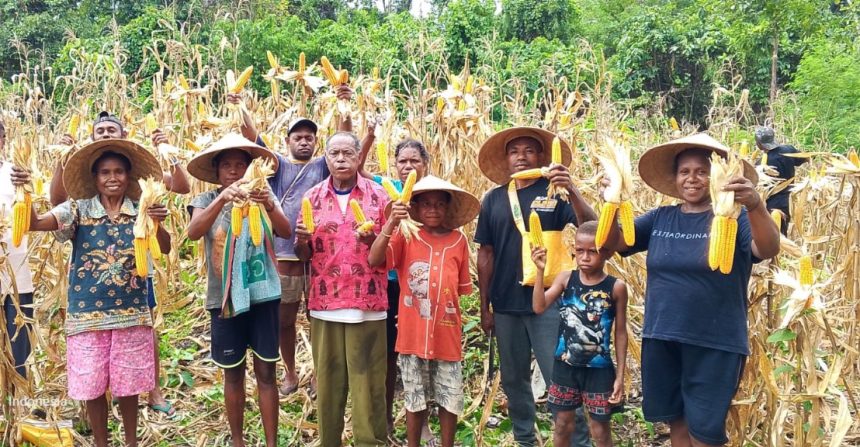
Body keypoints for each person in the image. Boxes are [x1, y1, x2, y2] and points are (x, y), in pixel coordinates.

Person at [603, 133, 780, 447]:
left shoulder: (735, 220)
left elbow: (767, 248)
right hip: (663, 336)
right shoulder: (660, 218)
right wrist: (612, 202)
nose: (692, 178)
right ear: (675, 178)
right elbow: (612, 244)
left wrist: (755, 205)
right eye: (685, 171)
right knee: (677, 424)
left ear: (716, 178)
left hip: (715, 342)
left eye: (702, 171)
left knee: (705, 434)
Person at [23, 139, 170, 447]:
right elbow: (37, 223)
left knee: (128, 386)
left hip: (131, 312)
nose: (112, 178)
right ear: (95, 178)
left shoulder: (140, 211)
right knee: (91, 385)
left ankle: (131, 442)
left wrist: (158, 222)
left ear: (129, 177)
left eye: (119, 171)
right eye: (105, 172)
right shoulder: (77, 209)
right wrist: (24, 193)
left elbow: (164, 248)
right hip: (87, 315)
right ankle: (101, 443)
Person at [52, 111, 190, 417]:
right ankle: (111, 389)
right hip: (94, 288)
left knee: (142, 326)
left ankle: (150, 389)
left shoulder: (140, 187)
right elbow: (56, 204)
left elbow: (181, 186)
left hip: (138, 268)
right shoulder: (84, 201)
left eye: (110, 129)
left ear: (123, 133)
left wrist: (169, 153)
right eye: (98, 130)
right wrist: (60, 158)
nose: (104, 133)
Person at [229, 86, 355, 396]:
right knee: (284, 319)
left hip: (319, 258)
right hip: (283, 256)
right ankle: (290, 372)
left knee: (318, 318)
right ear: (287, 142)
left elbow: (346, 140)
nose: (303, 141)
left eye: (309, 137)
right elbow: (252, 137)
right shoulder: (275, 167)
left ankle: (318, 374)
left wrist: (344, 106)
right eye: (297, 137)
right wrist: (239, 104)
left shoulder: (323, 166)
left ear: (317, 143)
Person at [474, 126, 595, 447]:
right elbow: (485, 254)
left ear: (541, 156)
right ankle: (526, 439)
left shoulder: (555, 193)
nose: (521, 157)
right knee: (514, 381)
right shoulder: (495, 199)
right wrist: (485, 306)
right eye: (514, 151)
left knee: (561, 379)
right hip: (506, 304)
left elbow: (591, 229)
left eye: (529, 150)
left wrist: (572, 190)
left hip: (550, 304)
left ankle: (577, 442)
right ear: (506, 158)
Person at [186, 133, 291, 447]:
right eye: (227, 166)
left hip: (264, 297)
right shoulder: (205, 200)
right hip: (224, 300)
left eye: (240, 165)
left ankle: (272, 442)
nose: (233, 171)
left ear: (249, 169)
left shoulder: (263, 195)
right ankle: (237, 440)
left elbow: (285, 231)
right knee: (233, 373)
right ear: (217, 172)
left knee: (266, 372)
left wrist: (270, 204)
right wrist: (222, 198)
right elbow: (193, 232)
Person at [368, 175, 479, 447]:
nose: (432, 209)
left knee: (449, 397)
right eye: (425, 204)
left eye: (439, 204)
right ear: (414, 209)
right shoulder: (406, 236)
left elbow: (462, 288)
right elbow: (374, 259)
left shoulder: (458, 241)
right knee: (414, 397)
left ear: (448, 208)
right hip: (412, 333)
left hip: (447, 333)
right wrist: (392, 223)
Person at [295, 132, 390, 447]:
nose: (340, 159)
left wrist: (373, 241)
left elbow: (394, 254)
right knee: (330, 379)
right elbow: (303, 255)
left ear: (359, 157)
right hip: (326, 300)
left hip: (369, 300)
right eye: (334, 153)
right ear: (326, 158)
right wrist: (301, 240)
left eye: (347, 153)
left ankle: (371, 440)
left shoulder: (380, 196)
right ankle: (329, 441)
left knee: (370, 380)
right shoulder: (312, 198)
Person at [531, 221, 628, 447]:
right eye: (579, 250)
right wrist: (539, 271)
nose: (585, 257)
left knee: (600, 430)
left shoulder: (616, 287)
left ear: (606, 253)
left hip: (599, 370)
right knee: (563, 425)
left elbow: (620, 333)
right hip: (565, 367)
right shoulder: (566, 279)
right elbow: (538, 307)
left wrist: (620, 376)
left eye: (592, 251)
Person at [359, 137, 432, 433]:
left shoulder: (434, 192)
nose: (408, 166)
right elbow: (358, 168)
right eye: (402, 161)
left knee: (421, 354)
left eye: (415, 161)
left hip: (420, 284)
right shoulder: (384, 186)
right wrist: (370, 136)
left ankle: (423, 423)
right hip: (390, 284)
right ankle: (387, 418)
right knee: (389, 353)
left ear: (425, 164)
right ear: (394, 164)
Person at [0, 118, 36, 381]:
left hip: (15, 277)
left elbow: (34, 220)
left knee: (17, 349)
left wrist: (27, 188)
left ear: (3, 139)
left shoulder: (16, 174)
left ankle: (16, 408)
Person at [754, 126, 808, 234]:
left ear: (759, 144)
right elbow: (806, 157)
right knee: (782, 233)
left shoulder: (762, 164)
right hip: (788, 200)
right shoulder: (789, 150)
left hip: (771, 204)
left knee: (772, 235)